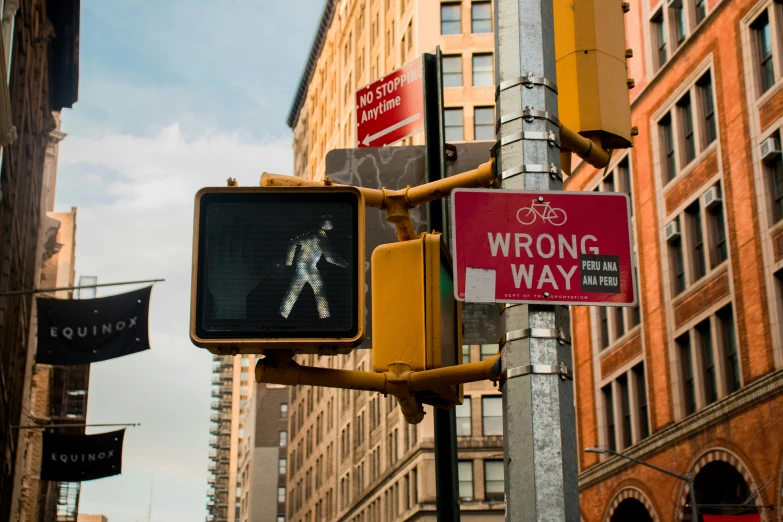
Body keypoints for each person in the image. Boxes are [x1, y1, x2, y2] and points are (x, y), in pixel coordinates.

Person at [279, 217, 348, 319]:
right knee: (319, 292)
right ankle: (325, 317)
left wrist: (289, 263)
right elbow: (329, 258)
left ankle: (282, 314)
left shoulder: (311, 234)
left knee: (293, 292)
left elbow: (293, 242)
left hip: (301, 266)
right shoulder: (321, 237)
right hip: (309, 267)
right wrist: (345, 265)